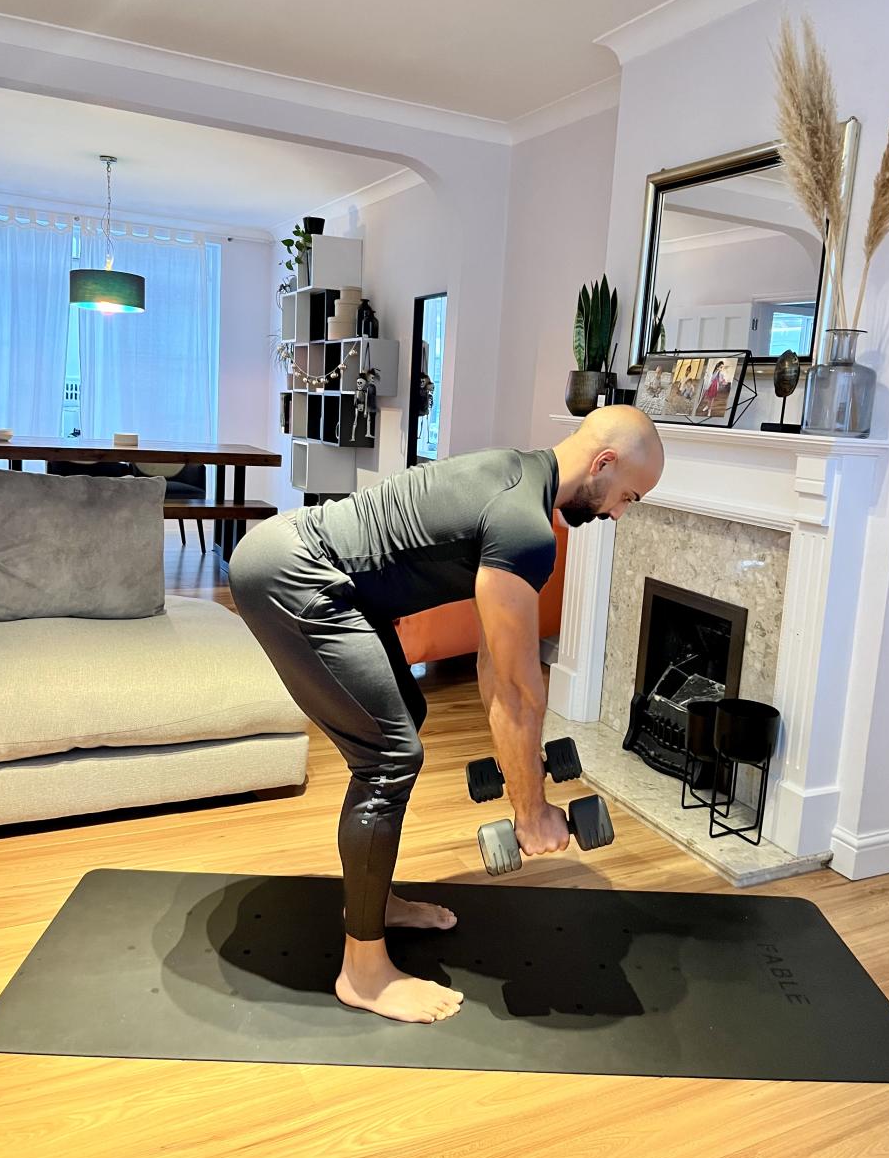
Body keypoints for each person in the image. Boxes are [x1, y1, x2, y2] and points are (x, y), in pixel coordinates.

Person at [227, 406, 664, 1025]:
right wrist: (531, 812)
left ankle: (374, 902)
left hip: (312, 565)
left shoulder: (518, 478)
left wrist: (526, 789)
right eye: (627, 497)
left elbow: (496, 666)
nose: (619, 513)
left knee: (406, 711)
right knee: (389, 756)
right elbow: (515, 691)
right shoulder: (526, 529)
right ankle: (365, 973)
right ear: (602, 465)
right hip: (293, 573)